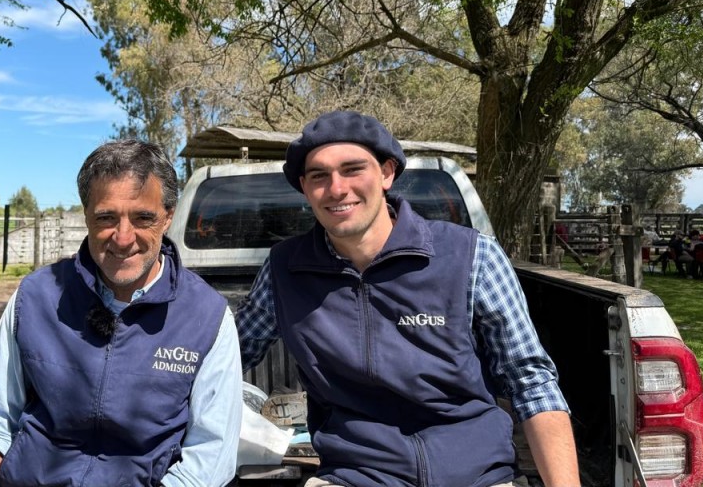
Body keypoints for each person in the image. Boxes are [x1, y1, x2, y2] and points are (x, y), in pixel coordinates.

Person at [236, 111, 580, 487]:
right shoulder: (285, 270)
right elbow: (230, 355)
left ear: (387, 172)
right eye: (319, 176)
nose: (336, 189)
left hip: (478, 475)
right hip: (353, 476)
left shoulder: (471, 256)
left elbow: (530, 381)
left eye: (353, 169)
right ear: (304, 186)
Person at [0, 140, 243, 487]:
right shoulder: (34, 298)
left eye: (143, 218)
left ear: (168, 216)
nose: (123, 238)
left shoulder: (207, 318)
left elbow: (209, 458)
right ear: (86, 216)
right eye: (106, 217)